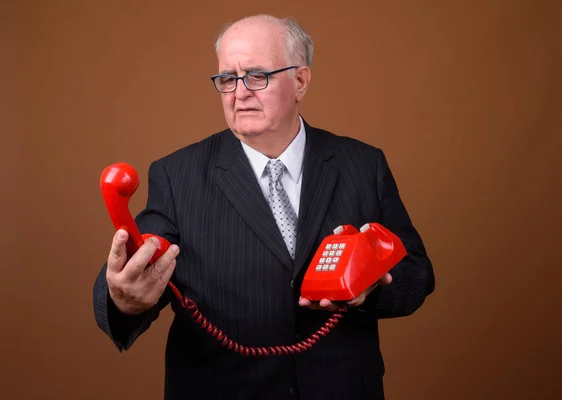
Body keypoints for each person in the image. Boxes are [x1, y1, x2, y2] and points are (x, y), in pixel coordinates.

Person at [93, 14, 435, 400]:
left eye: (257, 75)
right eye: (227, 78)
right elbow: (141, 267)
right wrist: (122, 296)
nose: (239, 93)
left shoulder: (363, 164)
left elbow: (416, 275)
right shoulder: (176, 175)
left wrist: (370, 288)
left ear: (300, 81)